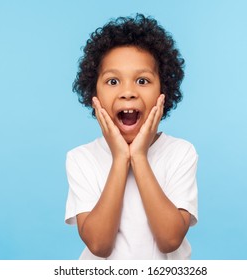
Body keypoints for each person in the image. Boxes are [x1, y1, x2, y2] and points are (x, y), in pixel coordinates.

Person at [65, 14, 198, 260]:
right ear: (94, 94)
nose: (128, 92)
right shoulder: (81, 158)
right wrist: (119, 160)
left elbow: (169, 240)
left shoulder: (181, 152)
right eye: (113, 81)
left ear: (163, 92)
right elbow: (99, 245)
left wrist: (138, 156)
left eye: (142, 80)